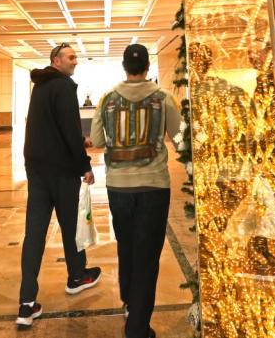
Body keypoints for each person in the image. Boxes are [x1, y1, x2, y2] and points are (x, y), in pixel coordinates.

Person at [90, 44, 180, 338]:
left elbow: (97, 141)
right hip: (153, 185)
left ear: (124, 67)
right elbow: (179, 139)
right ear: (148, 67)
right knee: (148, 255)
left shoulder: (106, 98)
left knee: (126, 244)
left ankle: (129, 300)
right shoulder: (163, 97)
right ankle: (138, 328)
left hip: (118, 186)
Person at [16, 42, 101, 329]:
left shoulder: (40, 85)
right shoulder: (63, 86)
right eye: (71, 57)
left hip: (37, 170)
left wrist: (79, 141)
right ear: (56, 60)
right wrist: (84, 166)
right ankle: (77, 277)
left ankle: (26, 303)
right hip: (61, 172)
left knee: (34, 234)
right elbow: (68, 128)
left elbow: (50, 127)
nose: (75, 61)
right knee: (70, 226)